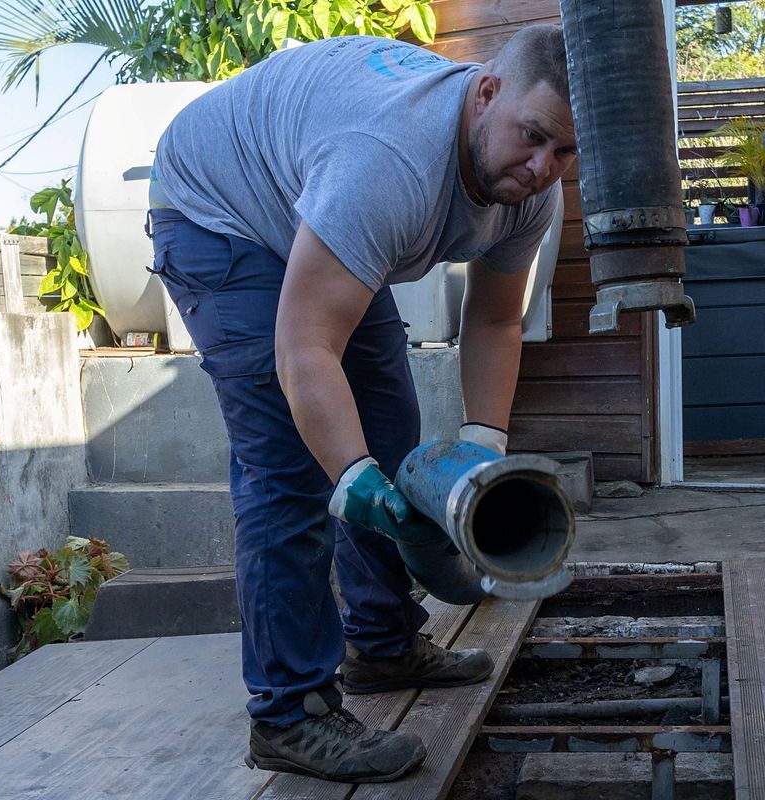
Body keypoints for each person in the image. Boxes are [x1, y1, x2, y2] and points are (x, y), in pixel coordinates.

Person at [145, 24, 577, 783]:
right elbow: (302, 351)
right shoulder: (388, 165)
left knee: (387, 428)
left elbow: (495, 318)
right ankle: (288, 714)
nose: (543, 168)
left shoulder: (531, 191)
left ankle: (380, 644)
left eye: (565, 152)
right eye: (533, 137)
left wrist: (482, 446)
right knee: (292, 470)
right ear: (485, 95)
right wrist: (353, 481)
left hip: (312, 202)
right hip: (222, 211)